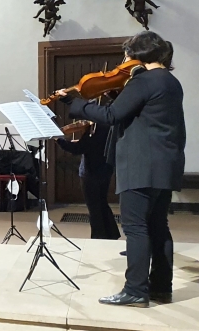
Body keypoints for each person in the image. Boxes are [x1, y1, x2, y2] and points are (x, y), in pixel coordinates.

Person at [56, 31, 184, 307]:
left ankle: (136, 290)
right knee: (159, 226)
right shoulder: (170, 82)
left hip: (141, 164)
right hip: (166, 164)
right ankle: (162, 287)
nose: (125, 59)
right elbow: (141, 114)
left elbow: (111, 116)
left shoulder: (143, 80)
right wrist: (117, 95)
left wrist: (74, 104)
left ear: (139, 54)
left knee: (135, 227)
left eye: (128, 53)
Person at [55, 107, 120, 240]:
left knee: (94, 208)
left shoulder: (96, 128)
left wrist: (59, 140)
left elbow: (79, 149)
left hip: (91, 172)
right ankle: (111, 234)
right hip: (105, 169)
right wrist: (82, 142)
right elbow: (91, 145)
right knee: (101, 202)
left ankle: (99, 237)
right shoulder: (106, 122)